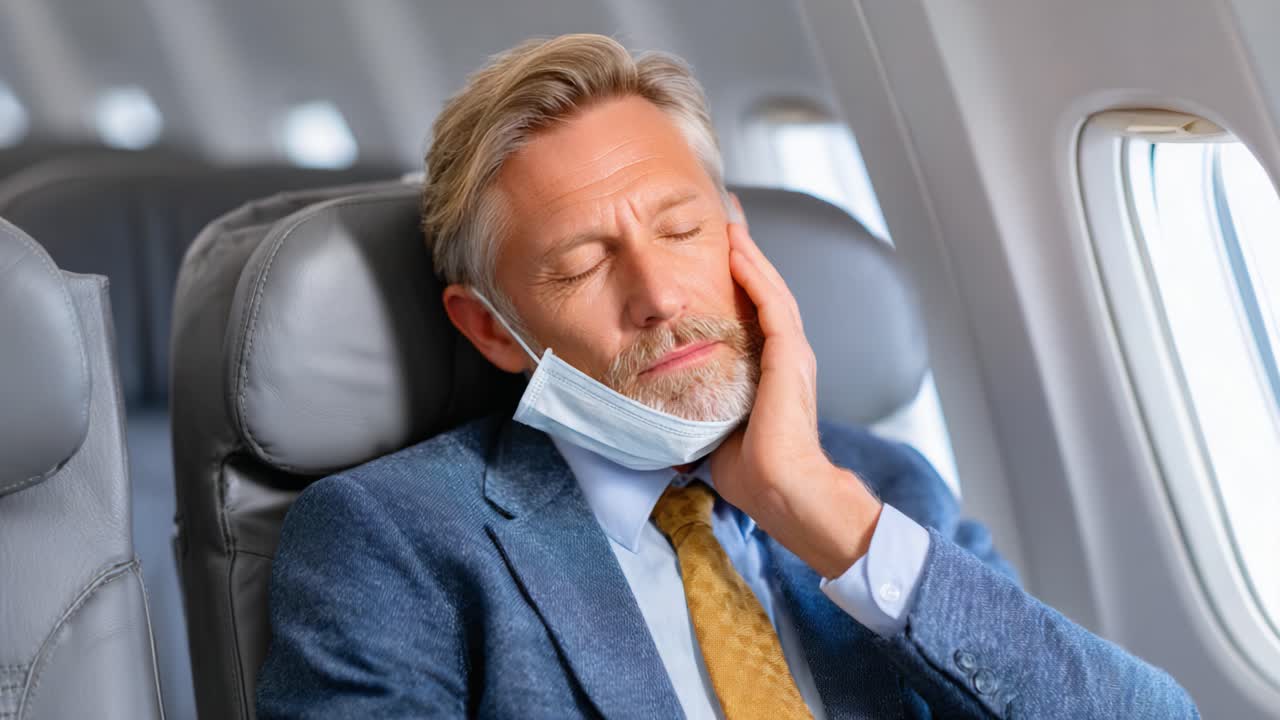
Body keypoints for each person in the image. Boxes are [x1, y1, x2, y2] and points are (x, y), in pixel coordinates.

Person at [256, 33, 1198, 719]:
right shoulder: (390, 542)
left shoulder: (880, 489)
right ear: (490, 331)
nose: (660, 294)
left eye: (682, 230)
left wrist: (819, 510)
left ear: (737, 235)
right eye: (583, 265)